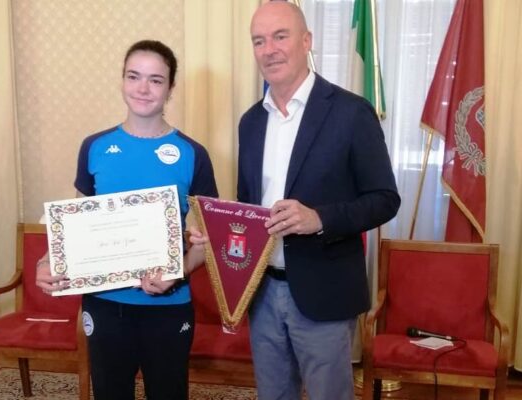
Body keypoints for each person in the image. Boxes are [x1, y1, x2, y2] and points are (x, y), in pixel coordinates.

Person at [35, 40, 218, 400]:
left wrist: (177, 271)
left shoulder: (192, 154)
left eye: (155, 80)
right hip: (104, 305)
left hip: (168, 307)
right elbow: (75, 226)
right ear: (122, 80)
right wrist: (47, 261)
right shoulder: (94, 147)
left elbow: (207, 242)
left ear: (170, 88)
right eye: (134, 76)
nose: (143, 88)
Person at [238, 2, 400, 399]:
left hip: (324, 292)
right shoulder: (251, 122)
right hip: (263, 293)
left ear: (306, 40)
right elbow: (247, 206)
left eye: (280, 36)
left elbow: (385, 199)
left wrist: (320, 219)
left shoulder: (351, 112)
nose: (269, 49)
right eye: (259, 41)